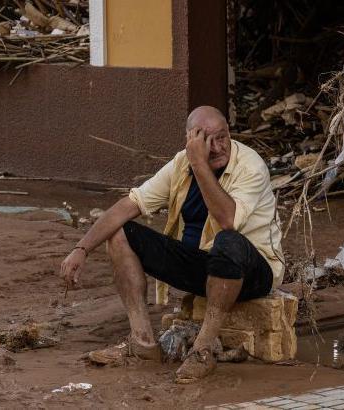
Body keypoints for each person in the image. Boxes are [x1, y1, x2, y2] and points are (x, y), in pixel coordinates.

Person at [60, 106, 283, 383]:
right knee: (119, 232)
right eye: (205, 140)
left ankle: (202, 351)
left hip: (252, 271)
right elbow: (129, 205)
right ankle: (142, 344)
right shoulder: (181, 163)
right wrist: (82, 249)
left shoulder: (249, 165)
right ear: (191, 141)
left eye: (222, 137)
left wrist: (200, 165)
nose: (216, 147)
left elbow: (228, 220)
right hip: (204, 264)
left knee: (228, 241)